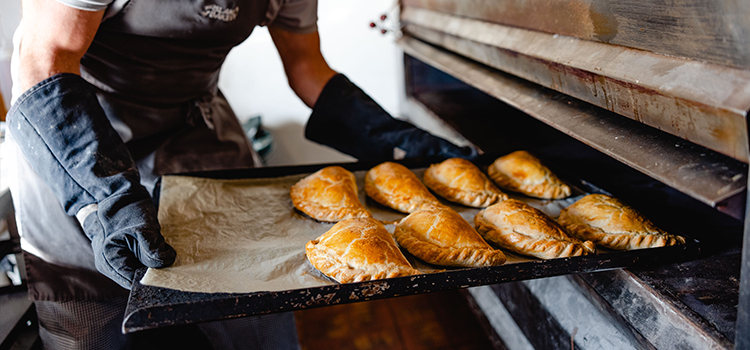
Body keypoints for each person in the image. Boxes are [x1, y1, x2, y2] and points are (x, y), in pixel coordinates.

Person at [6, 0, 477, 349]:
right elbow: (43, 58)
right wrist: (106, 196)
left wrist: (390, 138)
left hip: (194, 132)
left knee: (249, 308)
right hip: (74, 145)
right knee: (97, 328)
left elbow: (306, 66)